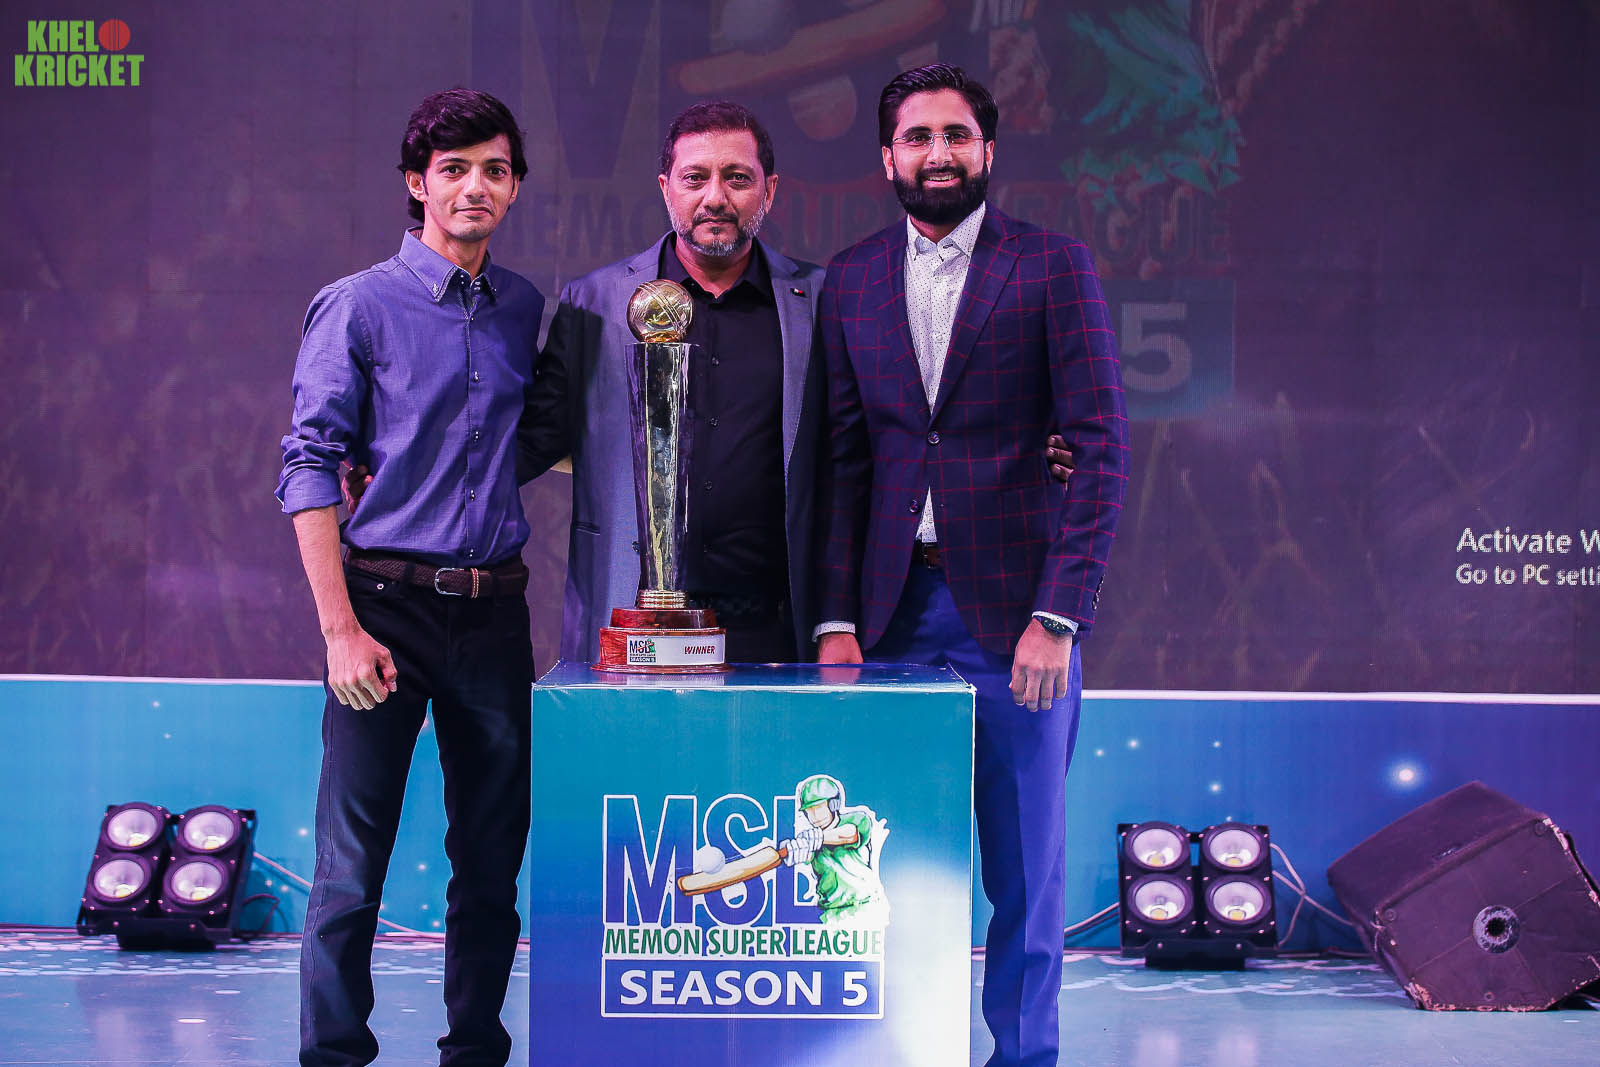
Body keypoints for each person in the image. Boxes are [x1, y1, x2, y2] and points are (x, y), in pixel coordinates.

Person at [813, 64, 1130, 1066]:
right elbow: (843, 463)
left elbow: (1100, 448)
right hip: (886, 622)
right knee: (870, 870)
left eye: (956, 134)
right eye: (917, 136)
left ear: (988, 150)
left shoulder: (1052, 266)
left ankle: (1023, 1057)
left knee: (1026, 873)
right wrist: (834, 621)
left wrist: (1058, 616)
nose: (938, 152)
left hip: (1015, 625)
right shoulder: (851, 278)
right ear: (887, 158)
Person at [276, 88, 540, 1067]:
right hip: (381, 610)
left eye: (495, 169)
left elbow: (531, 438)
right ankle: (335, 1055)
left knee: (491, 868)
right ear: (417, 183)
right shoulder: (357, 304)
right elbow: (309, 463)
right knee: (351, 870)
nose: (476, 186)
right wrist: (340, 630)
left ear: (514, 188)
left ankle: (475, 1051)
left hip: (494, 614)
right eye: (454, 168)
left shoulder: (523, 308)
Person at [517, 101, 825, 663]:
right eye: (695, 178)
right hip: (632, 617)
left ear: (770, 190)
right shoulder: (595, 302)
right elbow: (533, 442)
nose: (715, 198)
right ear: (666, 188)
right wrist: (402, 477)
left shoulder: (819, 301)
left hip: (773, 623)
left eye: (738, 179)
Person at [780, 774, 889, 926]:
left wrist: (815, 839)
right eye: (809, 810)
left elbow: (849, 834)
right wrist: (790, 850)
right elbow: (803, 855)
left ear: (833, 804)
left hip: (863, 906)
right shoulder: (810, 840)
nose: (815, 816)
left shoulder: (857, 819)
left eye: (819, 807)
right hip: (830, 914)